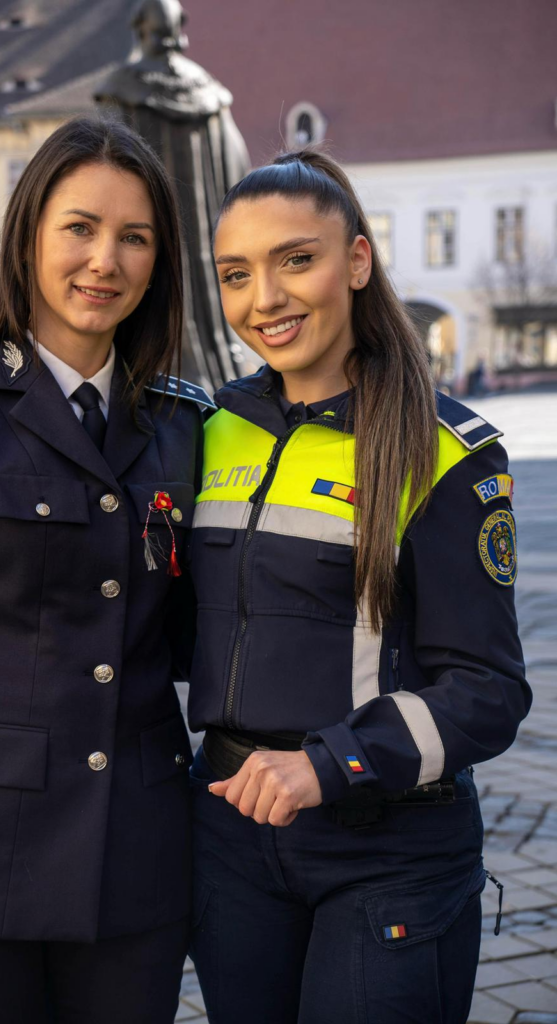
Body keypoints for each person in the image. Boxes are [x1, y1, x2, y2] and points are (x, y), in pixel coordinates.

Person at [0, 115, 211, 1024]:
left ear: (159, 262)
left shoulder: (182, 423)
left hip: (135, 869)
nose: (106, 260)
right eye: (80, 228)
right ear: (28, 236)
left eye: (135, 237)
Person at [187, 150, 530, 1024]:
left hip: (389, 849)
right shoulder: (208, 430)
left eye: (296, 260)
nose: (265, 298)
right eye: (236, 274)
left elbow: (488, 691)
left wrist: (330, 763)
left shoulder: (446, 452)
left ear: (357, 261)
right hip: (231, 841)